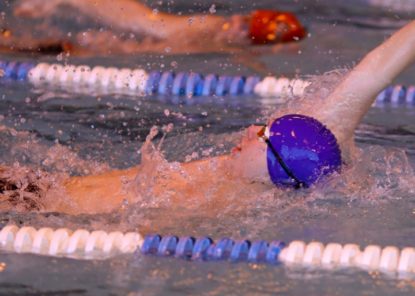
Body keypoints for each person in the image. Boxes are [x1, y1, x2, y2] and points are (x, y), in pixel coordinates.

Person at [1, 20, 415, 215]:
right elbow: (377, 69)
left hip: (42, 206)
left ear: (279, 166)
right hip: (49, 188)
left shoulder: (225, 200)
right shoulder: (306, 148)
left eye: (264, 136)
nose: (252, 130)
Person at [6, 0, 306, 54]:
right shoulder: (210, 27)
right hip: (148, 29)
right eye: (243, 22)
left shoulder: (221, 36)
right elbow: (156, 33)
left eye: (245, 29)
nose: (236, 27)